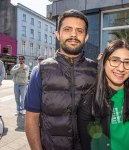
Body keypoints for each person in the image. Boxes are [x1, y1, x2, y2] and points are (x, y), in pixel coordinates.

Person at [24, 9, 97, 150]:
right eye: (67, 29)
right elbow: (31, 119)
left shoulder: (96, 70)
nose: (73, 35)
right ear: (58, 34)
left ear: (86, 37)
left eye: (79, 31)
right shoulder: (40, 71)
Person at [92, 39, 129, 150]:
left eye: (127, 62)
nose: (121, 68)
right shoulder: (90, 100)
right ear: (104, 62)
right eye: (115, 60)